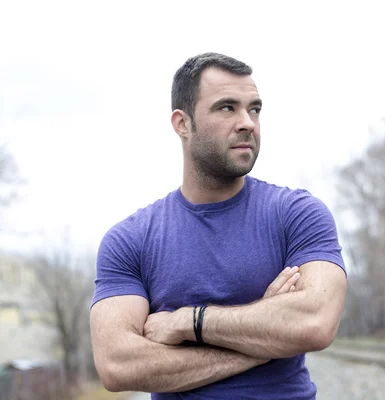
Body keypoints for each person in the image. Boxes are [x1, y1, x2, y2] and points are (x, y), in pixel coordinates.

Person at [90, 52, 347, 400]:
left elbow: (314, 323)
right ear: (182, 123)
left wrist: (188, 322)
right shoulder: (131, 239)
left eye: (254, 109)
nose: (247, 123)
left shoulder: (297, 214)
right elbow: (118, 365)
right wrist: (265, 339)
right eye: (227, 108)